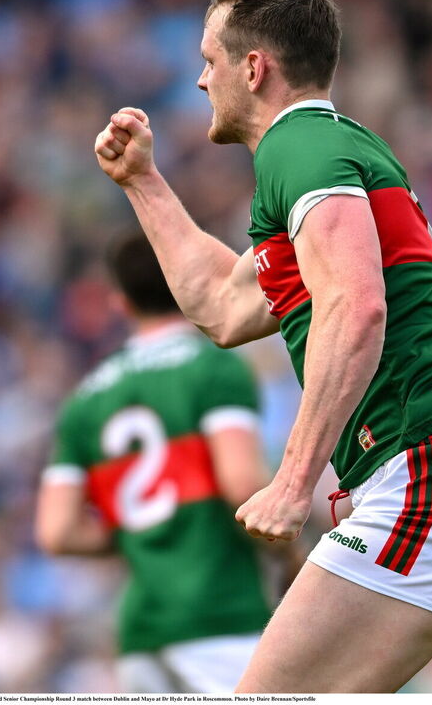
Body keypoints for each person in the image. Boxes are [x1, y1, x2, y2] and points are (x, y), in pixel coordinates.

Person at [92, 0, 432, 693]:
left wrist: (292, 480)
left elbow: (357, 303)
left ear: (255, 66)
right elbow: (221, 304)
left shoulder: (296, 147)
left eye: (209, 62)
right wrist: (144, 183)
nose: (201, 81)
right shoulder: (329, 152)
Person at [35, 231, 277, 694]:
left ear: (121, 303)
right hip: (221, 611)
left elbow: (57, 531)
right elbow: (243, 484)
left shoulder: (85, 400)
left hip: (141, 631)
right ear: (192, 280)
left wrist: (139, 532)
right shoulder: (214, 367)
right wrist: (289, 554)